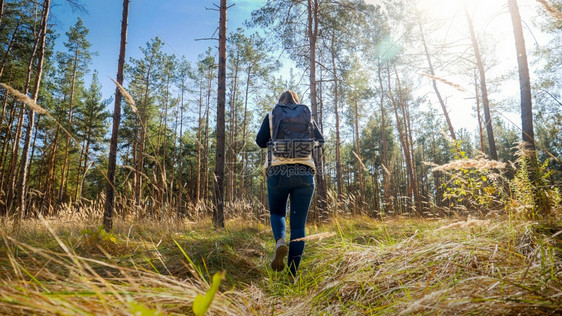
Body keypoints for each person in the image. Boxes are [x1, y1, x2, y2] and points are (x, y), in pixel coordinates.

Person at [255, 90, 324, 279]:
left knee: (277, 212)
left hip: (277, 171)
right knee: (299, 226)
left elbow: (260, 141)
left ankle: (279, 241)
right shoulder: (307, 117)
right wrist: (301, 145)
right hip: (304, 171)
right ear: (297, 101)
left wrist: (278, 141)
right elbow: (320, 141)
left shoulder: (271, 116)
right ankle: (292, 276)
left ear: (280, 102)